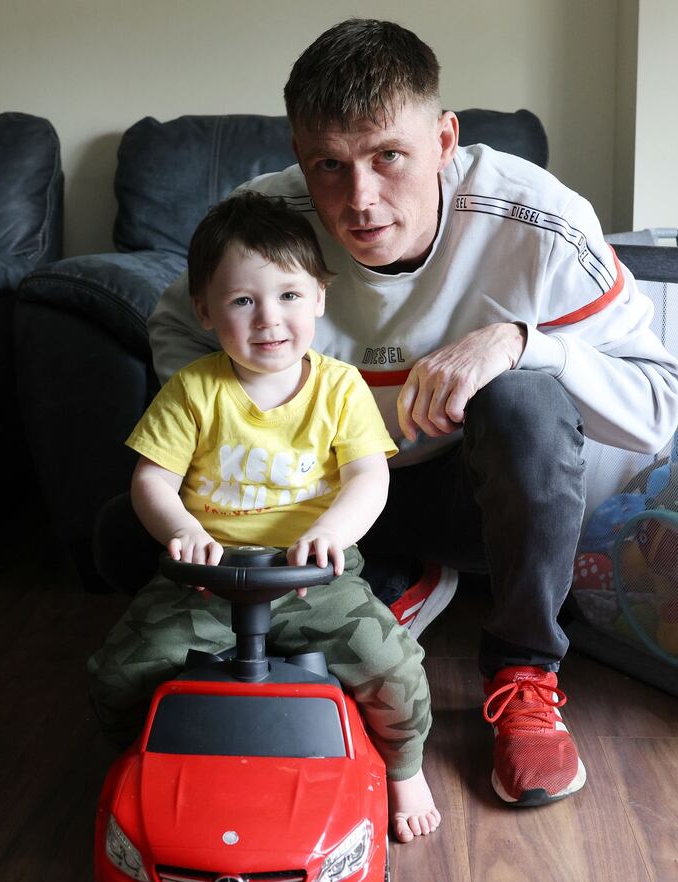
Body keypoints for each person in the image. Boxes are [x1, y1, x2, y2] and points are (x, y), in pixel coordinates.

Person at [145, 19, 678, 806]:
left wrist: (521, 341)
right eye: (328, 165)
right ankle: (395, 581)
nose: (359, 200)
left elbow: (661, 406)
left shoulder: (537, 221)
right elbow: (173, 321)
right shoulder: (262, 220)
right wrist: (228, 414)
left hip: (468, 490)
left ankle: (526, 673)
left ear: (444, 138)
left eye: (387, 157)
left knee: (527, 394)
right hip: (311, 503)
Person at [88, 191, 441, 842]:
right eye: (243, 300)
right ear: (205, 310)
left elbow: (369, 474)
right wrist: (182, 530)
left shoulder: (340, 388)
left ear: (320, 298)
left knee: (390, 662)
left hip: (315, 572)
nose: (269, 319)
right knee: (120, 669)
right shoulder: (193, 390)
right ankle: (142, 762)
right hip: (207, 576)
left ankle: (404, 766)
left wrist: (331, 531)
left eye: (288, 296)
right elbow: (151, 479)